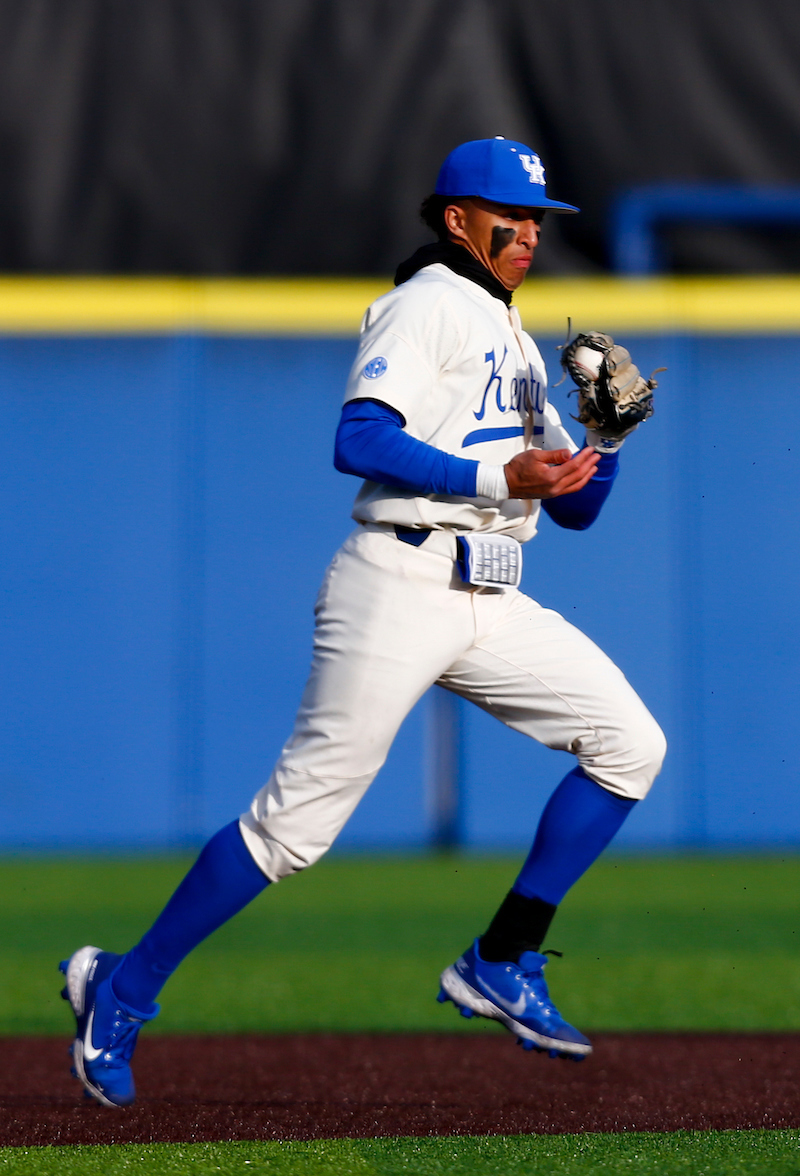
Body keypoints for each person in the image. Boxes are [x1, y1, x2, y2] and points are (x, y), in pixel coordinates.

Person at [60, 136, 666, 1106]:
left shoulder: (512, 341)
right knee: (295, 827)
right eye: (509, 218)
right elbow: (358, 436)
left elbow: (577, 508)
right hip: (399, 579)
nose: (527, 237)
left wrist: (601, 436)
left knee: (628, 744)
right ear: (456, 217)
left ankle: (500, 960)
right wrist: (494, 474)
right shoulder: (426, 303)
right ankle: (120, 992)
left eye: (539, 223)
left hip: (491, 594)